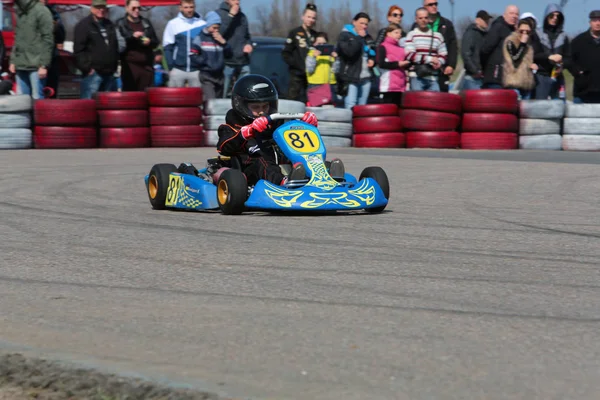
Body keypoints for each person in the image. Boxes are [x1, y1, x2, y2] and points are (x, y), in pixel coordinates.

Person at [215, 75, 345, 186]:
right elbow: (223, 147)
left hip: (282, 164)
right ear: (241, 105)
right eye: (255, 107)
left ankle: (327, 176)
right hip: (250, 170)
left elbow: (292, 135)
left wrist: (306, 125)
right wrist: (247, 132)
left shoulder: (274, 124)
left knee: (303, 159)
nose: (261, 111)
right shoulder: (231, 127)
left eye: (265, 106)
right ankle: (285, 182)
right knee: (263, 163)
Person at [74, 0, 120, 99]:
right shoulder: (84, 25)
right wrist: (87, 68)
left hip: (109, 73)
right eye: (98, 7)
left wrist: (114, 65)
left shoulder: (110, 25)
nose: (101, 10)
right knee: (89, 105)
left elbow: (115, 45)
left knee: (108, 106)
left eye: (103, 7)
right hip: (93, 74)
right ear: (92, 9)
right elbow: (78, 50)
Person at [9, 0, 54, 99]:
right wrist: (13, 61)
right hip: (21, 65)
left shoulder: (41, 11)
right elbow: (17, 38)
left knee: (37, 100)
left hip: (36, 66)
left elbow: (48, 39)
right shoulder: (20, 11)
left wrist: (43, 65)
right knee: (21, 101)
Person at [116, 0, 159, 92]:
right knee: (131, 97)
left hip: (147, 67)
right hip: (130, 67)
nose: (136, 10)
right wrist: (132, 37)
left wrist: (149, 42)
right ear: (127, 8)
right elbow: (119, 44)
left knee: (147, 96)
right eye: (133, 8)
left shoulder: (146, 22)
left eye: (139, 8)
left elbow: (156, 42)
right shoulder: (121, 23)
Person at [414, 0, 457, 92]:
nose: (434, 6)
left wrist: (451, 65)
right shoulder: (416, 26)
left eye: (436, 4)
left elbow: (453, 46)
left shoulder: (447, 24)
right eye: (430, 4)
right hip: (421, 71)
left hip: (441, 70)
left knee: (441, 99)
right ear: (424, 6)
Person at [162, 0, 206, 88]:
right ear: (180, 8)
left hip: (197, 70)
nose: (189, 10)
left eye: (191, 7)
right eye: (186, 7)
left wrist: (202, 65)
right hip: (178, 69)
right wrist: (171, 67)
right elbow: (167, 47)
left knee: (196, 100)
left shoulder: (202, 24)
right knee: (175, 99)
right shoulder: (173, 24)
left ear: (194, 7)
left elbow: (205, 48)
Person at [336, 12, 376, 109]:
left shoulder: (368, 37)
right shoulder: (344, 35)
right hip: (350, 76)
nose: (364, 26)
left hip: (366, 77)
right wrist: (358, 38)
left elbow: (373, 50)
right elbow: (349, 52)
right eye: (361, 23)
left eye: (366, 24)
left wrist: (372, 60)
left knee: (362, 107)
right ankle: (349, 124)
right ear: (354, 22)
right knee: (351, 105)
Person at [215, 0, 252, 98]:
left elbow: (247, 36)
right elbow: (219, 34)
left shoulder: (242, 16)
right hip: (227, 61)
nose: (237, 1)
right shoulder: (218, 14)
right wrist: (231, 15)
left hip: (243, 61)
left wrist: (248, 44)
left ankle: (242, 110)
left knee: (245, 93)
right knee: (223, 93)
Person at [190, 11, 231, 100]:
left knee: (219, 101)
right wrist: (204, 62)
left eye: (218, 28)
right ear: (208, 25)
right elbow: (192, 54)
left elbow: (229, 54)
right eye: (214, 27)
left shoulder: (220, 38)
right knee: (210, 101)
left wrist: (224, 43)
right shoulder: (200, 38)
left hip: (220, 75)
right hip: (207, 75)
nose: (216, 30)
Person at [282, 3, 318, 103]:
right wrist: (297, 65)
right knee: (292, 103)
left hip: (312, 77)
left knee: (310, 103)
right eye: (308, 17)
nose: (311, 20)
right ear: (303, 17)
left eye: (313, 18)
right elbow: (286, 53)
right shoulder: (294, 33)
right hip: (297, 76)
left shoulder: (316, 35)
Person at [405, 7, 447, 92]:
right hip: (416, 77)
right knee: (417, 103)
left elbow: (444, 54)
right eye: (420, 18)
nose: (423, 20)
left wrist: (439, 62)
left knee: (435, 103)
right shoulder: (411, 35)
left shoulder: (437, 36)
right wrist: (430, 59)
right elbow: (410, 55)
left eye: (425, 18)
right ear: (416, 19)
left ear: (429, 19)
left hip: (433, 77)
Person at [534, 4, 570, 100]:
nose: (555, 18)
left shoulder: (564, 36)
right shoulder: (537, 34)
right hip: (541, 76)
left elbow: (568, 58)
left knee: (559, 106)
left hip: (558, 76)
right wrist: (549, 57)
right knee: (541, 107)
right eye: (552, 15)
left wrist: (562, 64)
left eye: (558, 16)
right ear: (546, 16)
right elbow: (534, 54)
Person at [480, 5, 519, 89]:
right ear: (504, 15)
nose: (514, 16)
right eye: (511, 13)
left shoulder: (513, 31)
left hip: (508, 78)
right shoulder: (498, 27)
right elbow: (485, 49)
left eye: (516, 14)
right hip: (495, 76)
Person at [568, 10, 600, 103]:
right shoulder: (578, 41)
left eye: (599, 20)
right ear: (590, 23)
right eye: (595, 20)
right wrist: (578, 72)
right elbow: (569, 61)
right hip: (583, 92)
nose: (598, 23)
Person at [502, 19, 537, 99]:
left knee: (525, 111)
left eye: (527, 32)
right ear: (517, 30)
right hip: (514, 83)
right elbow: (515, 58)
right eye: (522, 31)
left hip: (526, 85)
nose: (524, 34)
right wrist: (522, 44)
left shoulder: (529, 44)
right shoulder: (510, 41)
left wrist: (532, 65)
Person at [376, 24, 409, 104]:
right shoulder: (383, 47)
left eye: (400, 33)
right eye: (396, 32)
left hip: (400, 85)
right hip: (388, 84)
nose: (399, 35)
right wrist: (397, 64)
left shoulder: (401, 48)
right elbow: (381, 64)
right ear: (388, 33)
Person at [305, 32, 339, 106]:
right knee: (316, 109)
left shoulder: (330, 54)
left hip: (330, 85)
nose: (321, 46)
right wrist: (313, 57)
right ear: (314, 44)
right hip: (315, 85)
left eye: (324, 43)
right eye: (319, 43)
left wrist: (336, 59)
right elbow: (309, 69)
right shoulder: (310, 54)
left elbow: (336, 70)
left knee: (330, 109)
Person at [461, 10, 492, 90]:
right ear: (477, 20)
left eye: (487, 19)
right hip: (472, 79)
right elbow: (465, 54)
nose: (487, 21)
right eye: (484, 19)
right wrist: (475, 71)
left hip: (483, 78)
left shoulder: (486, 35)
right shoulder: (470, 33)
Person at [43, 0, 65, 98]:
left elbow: (61, 37)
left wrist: (57, 26)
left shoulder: (53, 12)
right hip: (34, 59)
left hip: (52, 57)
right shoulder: (28, 12)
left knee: (51, 92)